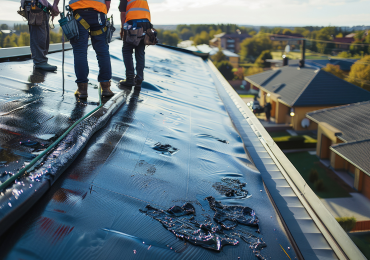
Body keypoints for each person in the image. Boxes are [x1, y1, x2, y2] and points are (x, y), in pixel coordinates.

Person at [69, 0, 114, 98]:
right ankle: (106, 87)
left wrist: (55, 5)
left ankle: (82, 90)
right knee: (102, 50)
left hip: (79, 13)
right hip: (99, 14)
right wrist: (103, 11)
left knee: (80, 51)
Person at [119, 0, 152, 89]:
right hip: (146, 25)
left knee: (127, 50)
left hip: (133, 24)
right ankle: (139, 80)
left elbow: (123, 13)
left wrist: (122, 28)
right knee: (140, 51)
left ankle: (130, 79)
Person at [26, 0, 60, 71]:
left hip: (39, 7)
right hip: (35, 6)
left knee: (43, 37)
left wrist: (49, 6)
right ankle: (39, 61)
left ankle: (40, 60)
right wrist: (54, 5)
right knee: (39, 36)